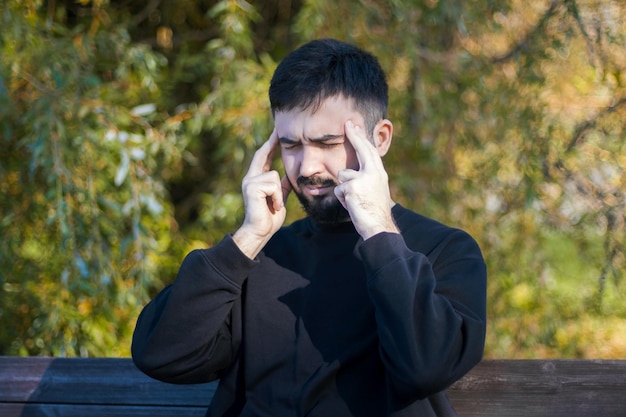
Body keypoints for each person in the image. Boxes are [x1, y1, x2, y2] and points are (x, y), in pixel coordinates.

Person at [132, 38, 487, 417]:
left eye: (327, 143)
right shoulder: (259, 258)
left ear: (379, 139)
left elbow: (426, 368)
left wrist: (380, 233)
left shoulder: (445, 251)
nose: (306, 167)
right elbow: (161, 355)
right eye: (291, 145)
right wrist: (247, 239)